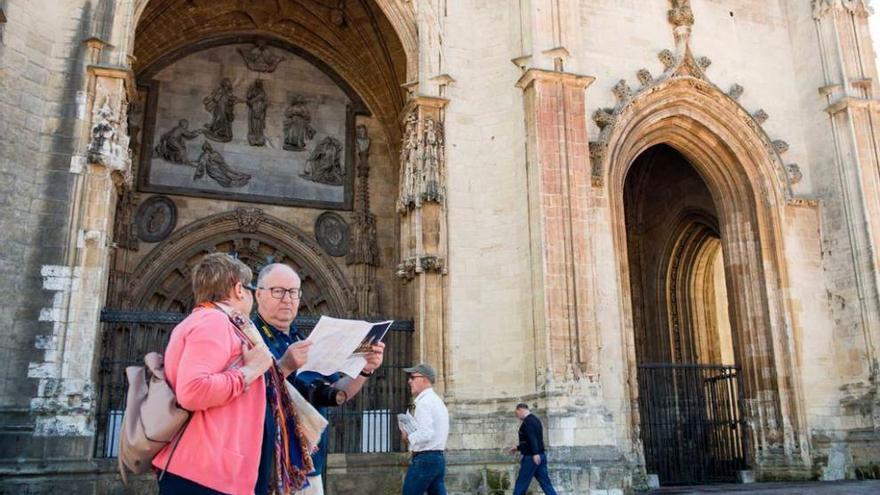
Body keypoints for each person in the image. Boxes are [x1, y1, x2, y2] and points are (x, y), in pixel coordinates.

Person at [252, 263, 386, 495]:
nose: (287, 299)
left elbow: (335, 392)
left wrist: (364, 369)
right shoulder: (249, 336)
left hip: (309, 465)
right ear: (258, 294)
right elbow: (245, 393)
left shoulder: (303, 340)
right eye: (278, 291)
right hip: (270, 466)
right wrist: (284, 366)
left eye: (293, 292)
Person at [152, 252, 273, 495]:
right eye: (250, 288)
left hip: (210, 470)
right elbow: (193, 391)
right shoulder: (213, 321)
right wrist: (248, 372)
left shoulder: (210, 320)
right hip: (205, 473)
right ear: (239, 289)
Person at [400, 363, 449, 495]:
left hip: (425, 459)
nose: (409, 381)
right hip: (437, 458)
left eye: (412, 377)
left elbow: (426, 433)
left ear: (425, 379)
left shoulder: (424, 402)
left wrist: (407, 437)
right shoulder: (437, 401)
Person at [509, 403, 557, 495]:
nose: (517, 416)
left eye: (517, 413)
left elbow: (532, 438)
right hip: (541, 456)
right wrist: (518, 447)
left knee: (521, 483)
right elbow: (533, 440)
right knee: (546, 483)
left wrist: (535, 454)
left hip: (531, 458)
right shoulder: (536, 419)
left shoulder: (527, 422)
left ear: (521, 410)